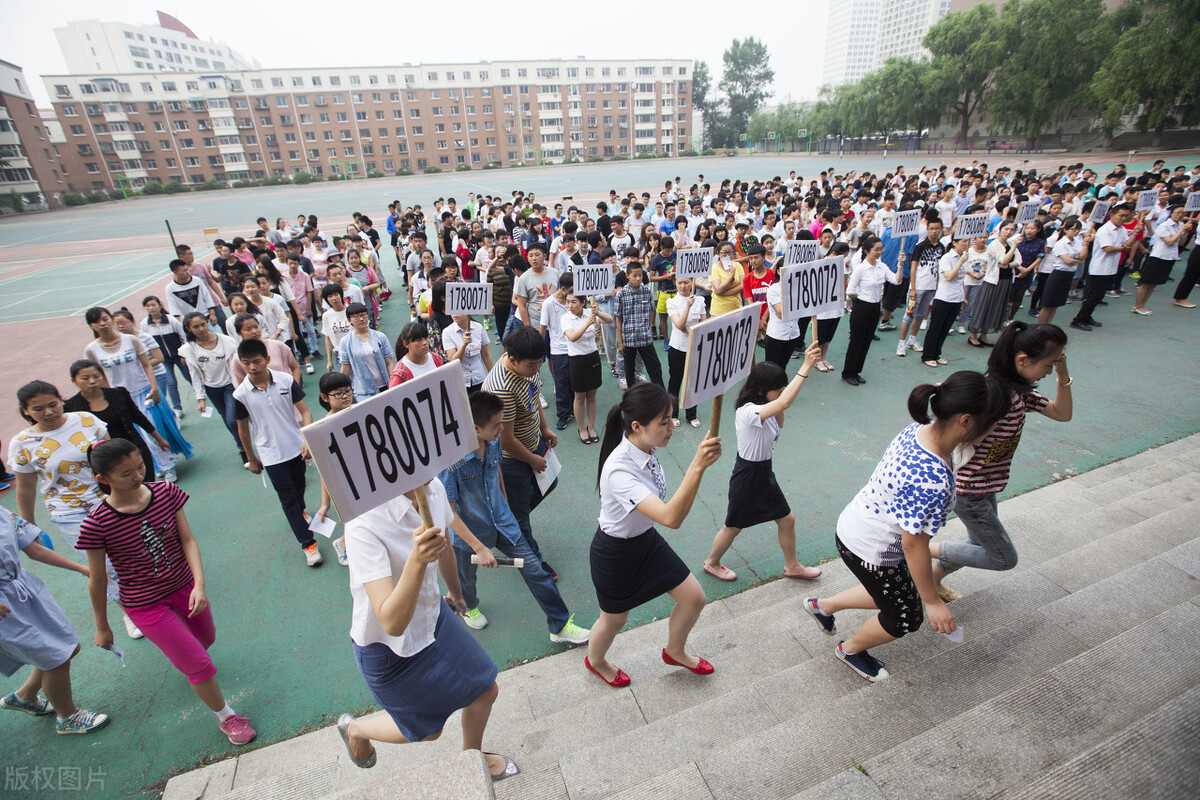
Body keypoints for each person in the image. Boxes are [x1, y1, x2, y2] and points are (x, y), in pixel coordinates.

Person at [803, 371, 1008, 681]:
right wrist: (931, 601)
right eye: (992, 422)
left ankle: (823, 606)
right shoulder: (933, 478)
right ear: (966, 420)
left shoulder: (921, 429)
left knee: (896, 592)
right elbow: (914, 545)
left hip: (857, 526)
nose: (995, 430)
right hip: (872, 549)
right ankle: (850, 649)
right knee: (905, 615)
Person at [335, 479, 518, 782]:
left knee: (486, 690)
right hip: (389, 651)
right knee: (428, 731)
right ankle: (354, 729)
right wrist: (417, 560)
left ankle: (471, 759)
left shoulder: (433, 487)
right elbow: (391, 622)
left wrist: (457, 594)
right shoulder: (363, 523)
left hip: (435, 619)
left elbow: (444, 548)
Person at [78, 439, 255, 745]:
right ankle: (227, 717)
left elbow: (187, 540)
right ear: (102, 479)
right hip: (144, 604)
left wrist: (199, 584)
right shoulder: (97, 523)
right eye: (125, 473)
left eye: (140, 466)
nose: (137, 476)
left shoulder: (166, 492)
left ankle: (187, 658)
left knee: (206, 639)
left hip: (184, 586)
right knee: (198, 665)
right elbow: (97, 579)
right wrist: (102, 626)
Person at [586, 383, 723, 687]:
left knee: (694, 599)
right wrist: (697, 466)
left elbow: (665, 513)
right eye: (663, 422)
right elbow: (671, 518)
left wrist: (698, 467)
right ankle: (595, 660)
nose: (671, 426)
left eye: (671, 418)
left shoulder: (645, 445)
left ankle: (675, 650)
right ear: (637, 426)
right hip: (615, 554)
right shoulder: (619, 471)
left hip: (645, 542)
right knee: (614, 620)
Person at [930, 323, 1072, 599]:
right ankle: (919, 549)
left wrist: (1063, 375)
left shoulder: (1020, 392)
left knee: (977, 542)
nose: (1050, 370)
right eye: (1049, 364)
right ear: (1022, 360)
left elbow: (1061, 413)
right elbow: (949, 438)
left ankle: (932, 580)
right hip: (970, 491)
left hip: (986, 486)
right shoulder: (994, 396)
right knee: (1003, 557)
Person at [438, 391, 591, 644]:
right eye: (496, 424)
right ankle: (469, 607)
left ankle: (560, 626)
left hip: (504, 522)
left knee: (536, 570)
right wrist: (479, 547)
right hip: (469, 536)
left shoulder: (493, 440)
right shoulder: (451, 462)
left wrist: (505, 506)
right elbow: (447, 512)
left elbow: (496, 467)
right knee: (466, 581)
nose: (502, 428)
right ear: (475, 428)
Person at [9, 381, 142, 638]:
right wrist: (28, 527)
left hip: (110, 501)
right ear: (26, 411)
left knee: (132, 549)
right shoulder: (23, 443)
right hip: (68, 512)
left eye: (52, 404)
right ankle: (129, 612)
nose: (48, 412)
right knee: (103, 566)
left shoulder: (85, 420)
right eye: (38, 409)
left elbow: (115, 458)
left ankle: (151, 595)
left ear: (61, 399)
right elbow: (25, 488)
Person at [703, 350, 825, 582]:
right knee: (733, 526)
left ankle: (793, 566)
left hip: (764, 472)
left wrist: (779, 401)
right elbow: (785, 401)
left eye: (782, 388)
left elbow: (782, 409)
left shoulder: (769, 407)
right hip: (747, 476)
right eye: (777, 388)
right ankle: (712, 562)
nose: (780, 392)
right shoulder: (747, 412)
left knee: (787, 520)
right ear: (761, 390)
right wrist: (807, 365)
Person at [0, 505, 110, 735]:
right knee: (55, 659)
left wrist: (83, 568)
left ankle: (25, 697)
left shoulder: (2, 513)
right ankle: (67, 717)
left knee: (68, 647)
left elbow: (35, 550)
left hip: (25, 592)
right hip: (5, 610)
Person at [232, 339, 321, 567]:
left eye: (257, 361)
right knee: (288, 500)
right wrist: (251, 457)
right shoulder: (240, 395)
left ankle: (302, 514)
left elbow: (306, 412)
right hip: (271, 455)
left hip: (295, 447)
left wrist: (306, 440)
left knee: (300, 487)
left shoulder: (286, 380)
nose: (252, 367)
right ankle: (308, 544)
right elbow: (243, 428)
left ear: (268, 360)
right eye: (246, 363)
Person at [480, 326, 559, 581]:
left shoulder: (527, 369)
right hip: (510, 459)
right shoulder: (501, 388)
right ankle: (535, 563)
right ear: (512, 359)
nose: (537, 369)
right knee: (521, 517)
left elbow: (534, 396)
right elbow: (505, 441)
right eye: (532, 365)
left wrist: (544, 427)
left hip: (532, 442)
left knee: (549, 484)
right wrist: (532, 458)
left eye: (540, 363)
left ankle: (508, 519)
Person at [64, 360, 163, 486]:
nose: (92, 381)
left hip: (133, 449)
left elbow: (138, 417)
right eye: (85, 378)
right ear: (74, 380)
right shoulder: (71, 408)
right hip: (105, 460)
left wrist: (159, 439)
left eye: (96, 376)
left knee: (146, 484)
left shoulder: (119, 393)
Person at [177, 313, 244, 460]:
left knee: (232, 419)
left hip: (229, 386)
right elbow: (194, 374)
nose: (201, 328)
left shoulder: (226, 341)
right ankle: (241, 445)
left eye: (203, 324)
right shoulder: (189, 349)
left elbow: (236, 365)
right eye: (196, 326)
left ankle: (242, 446)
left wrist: (240, 385)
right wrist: (200, 398)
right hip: (212, 389)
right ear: (189, 329)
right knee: (226, 419)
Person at [842, 236, 902, 386]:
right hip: (862, 308)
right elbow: (850, 291)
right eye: (876, 249)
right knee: (856, 342)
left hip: (876, 308)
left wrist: (900, 265)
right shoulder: (861, 269)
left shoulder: (882, 266)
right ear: (867, 251)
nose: (879, 252)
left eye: (881, 249)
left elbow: (896, 280)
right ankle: (848, 372)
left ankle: (857, 371)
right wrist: (862, 298)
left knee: (866, 341)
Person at [562, 289, 611, 444]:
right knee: (579, 397)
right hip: (576, 361)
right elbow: (572, 337)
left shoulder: (590, 312)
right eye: (568, 301)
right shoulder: (565, 318)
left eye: (574, 301)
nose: (570, 305)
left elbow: (609, 320)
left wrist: (598, 313)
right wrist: (587, 323)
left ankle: (591, 427)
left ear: (583, 303)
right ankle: (582, 428)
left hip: (593, 358)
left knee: (592, 395)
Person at [614, 260, 665, 389]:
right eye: (634, 276)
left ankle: (661, 397)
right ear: (627, 276)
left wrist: (649, 328)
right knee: (629, 373)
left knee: (655, 368)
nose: (638, 278)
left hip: (645, 338)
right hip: (628, 339)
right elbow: (618, 318)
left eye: (640, 275)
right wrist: (620, 341)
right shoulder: (621, 294)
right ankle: (633, 401)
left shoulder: (647, 292)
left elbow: (652, 311)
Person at [1134, 202, 1193, 315]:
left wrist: (1185, 232)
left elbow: (1181, 243)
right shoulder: (1164, 226)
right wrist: (1181, 231)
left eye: (1182, 213)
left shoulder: (1180, 225)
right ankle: (1137, 305)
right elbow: (1170, 241)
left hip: (1169, 257)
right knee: (1146, 283)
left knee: (1154, 283)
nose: (1180, 215)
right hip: (1158, 256)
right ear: (1171, 213)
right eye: (1177, 212)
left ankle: (1143, 305)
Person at [922, 237, 971, 367]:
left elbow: (961, 280)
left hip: (957, 298)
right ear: (954, 243)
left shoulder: (964, 258)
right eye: (963, 242)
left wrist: (963, 296)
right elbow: (949, 277)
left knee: (945, 328)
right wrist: (960, 262)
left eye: (967, 242)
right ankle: (928, 355)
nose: (966, 244)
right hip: (944, 298)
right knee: (935, 328)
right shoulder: (947, 258)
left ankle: (936, 354)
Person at [967, 221, 1018, 346]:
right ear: (1000, 229)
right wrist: (1014, 248)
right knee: (984, 307)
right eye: (1006, 229)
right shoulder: (994, 244)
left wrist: (1007, 266)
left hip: (1005, 281)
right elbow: (1003, 259)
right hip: (992, 281)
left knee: (995, 308)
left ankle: (984, 335)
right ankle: (973, 334)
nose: (1009, 232)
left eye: (1012, 230)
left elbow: (1018, 261)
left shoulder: (1010, 243)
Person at [665, 276, 707, 428]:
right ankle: (673, 414)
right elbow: (678, 324)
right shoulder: (671, 302)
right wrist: (688, 306)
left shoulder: (700, 300)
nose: (683, 286)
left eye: (686, 282)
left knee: (692, 382)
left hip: (695, 348)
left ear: (692, 282)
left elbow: (704, 322)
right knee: (675, 382)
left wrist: (696, 333)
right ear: (675, 283)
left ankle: (691, 414)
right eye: (679, 283)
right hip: (678, 348)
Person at [1037, 216, 1092, 325]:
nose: (1076, 232)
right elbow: (1067, 260)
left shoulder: (1077, 242)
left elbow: (1082, 256)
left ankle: (1048, 325)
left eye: (1078, 230)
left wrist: (1085, 245)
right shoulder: (1060, 243)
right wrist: (1078, 260)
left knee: (1056, 304)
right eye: (1073, 229)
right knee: (1047, 304)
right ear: (1065, 229)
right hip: (1058, 275)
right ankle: (1041, 327)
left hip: (1069, 275)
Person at [142, 296, 190, 417]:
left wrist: (183, 353)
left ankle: (200, 392)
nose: (151, 308)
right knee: (171, 382)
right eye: (148, 306)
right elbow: (145, 343)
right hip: (163, 360)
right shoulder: (145, 325)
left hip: (178, 355)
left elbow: (183, 336)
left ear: (159, 305)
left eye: (153, 305)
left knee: (188, 376)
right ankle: (177, 408)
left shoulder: (171, 320)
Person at [338, 302, 396, 401]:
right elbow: (345, 368)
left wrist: (393, 383)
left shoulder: (380, 336)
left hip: (386, 385)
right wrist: (341, 390)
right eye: (356, 316)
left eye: (363, 315)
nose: (361, 319)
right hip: (364, 392)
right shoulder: (345, 342)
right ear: (349, 320)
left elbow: (389, 363)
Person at [540, 273, 575, 430]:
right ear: (563, 288)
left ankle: (574, 409)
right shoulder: (548, 303)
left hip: (575, 347)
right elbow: (543, 328)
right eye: (571, 290)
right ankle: (563, 414)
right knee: (561, 383)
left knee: (574, 381)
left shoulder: (574, 301)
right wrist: (539, 348)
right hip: (558, 349)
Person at [442, 313, 494, 396]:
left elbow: (486, 355)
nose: (454, 314)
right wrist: (463, 345)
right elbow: (453, 361)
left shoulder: (479, 327)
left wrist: (492, 375)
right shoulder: (447, 332)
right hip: (462, 382)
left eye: (458, 310)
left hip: (480, 378)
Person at [388, 322, 444, 386]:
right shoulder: (399, 375)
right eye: (418, 340)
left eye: (426, 338)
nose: (424, 343)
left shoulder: (436, 358)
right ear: (406, 344)